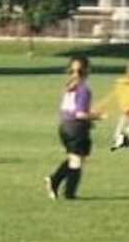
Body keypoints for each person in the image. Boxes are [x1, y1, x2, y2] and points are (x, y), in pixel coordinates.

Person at [45, 56, 104, 200]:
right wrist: (96, 116)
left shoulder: (69, 87)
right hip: (76, 128)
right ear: (87, 70)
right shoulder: (84, 90)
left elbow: (67, 110)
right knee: (76, 161)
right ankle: (69, 194)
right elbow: (81, 114)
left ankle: (54, 180)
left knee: (76, 158)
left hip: (64, 126)